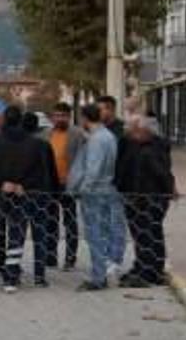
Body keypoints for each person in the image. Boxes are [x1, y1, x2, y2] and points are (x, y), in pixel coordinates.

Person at [0, 106, 55, 293]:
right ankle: (11, 280)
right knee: (16, 238)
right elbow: (39, 171)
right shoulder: (33, 144)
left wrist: (0, 183)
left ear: (4, 120)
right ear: (20, 120)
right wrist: (22, 185)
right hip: (20, 196)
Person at [115, 116, 176, 288]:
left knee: (149, 234)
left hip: (149, 199)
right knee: (141, 235)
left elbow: (161, 174)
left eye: (135, 131)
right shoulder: (135, 144)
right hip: (134, 197)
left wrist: (168, 191)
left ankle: (149, 272)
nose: (131, 134)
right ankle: (142, 267)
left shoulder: (154, 149)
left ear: (145, 131)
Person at [67, 103, 119, 292]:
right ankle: (102, 272)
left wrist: (82, 189)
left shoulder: (97, 140)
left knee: (95, 235)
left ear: (85, 119)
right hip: (107, 189)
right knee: (103, 233)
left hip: (94, 193)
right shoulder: (109, 136)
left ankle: (98, 277)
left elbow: (93, 169)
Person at [40, 102, 85, 271]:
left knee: (70, 222)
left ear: (69, 117)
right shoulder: (46, 134)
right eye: (56, 115)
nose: (59, 118)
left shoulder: (78, 135)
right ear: (52, 117)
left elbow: (83, 159)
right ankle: (50, 257)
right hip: (50, 185)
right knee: (50, 221)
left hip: (69, 185)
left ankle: (70, 258)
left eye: (63, 115)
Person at [21, 111, 58, 279]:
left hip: (21, 194)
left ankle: (14, 268)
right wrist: (54, 191)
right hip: (42, 194)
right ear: (37, 126)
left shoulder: (19, 144)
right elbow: (52, 170)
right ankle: (40, 273)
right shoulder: (44, 145)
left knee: (18, 233)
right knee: (40, 233)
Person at [97, 94, 128, 274]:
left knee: (116, 221)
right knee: (102, 222)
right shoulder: (99, 129)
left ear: (110, 109)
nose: (98, 112)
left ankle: (115, 259)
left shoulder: (121, 130)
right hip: (99, 183)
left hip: (115, 183)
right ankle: (105, 256)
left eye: (101, 109)